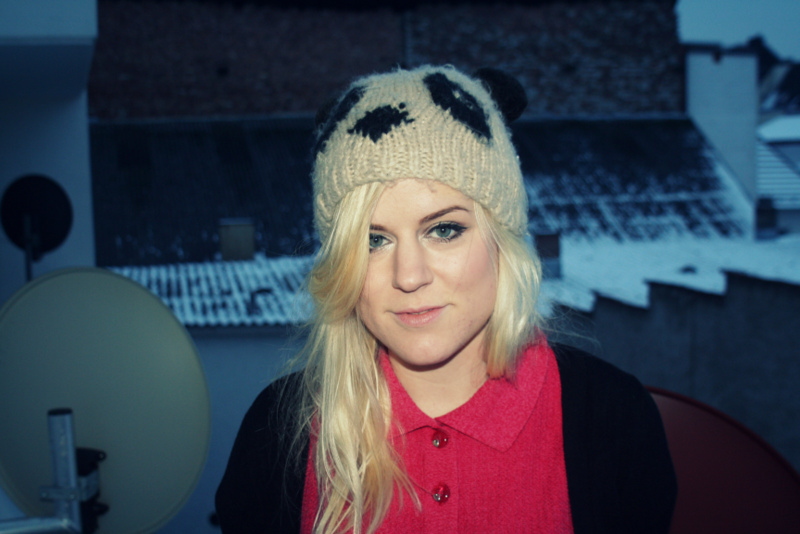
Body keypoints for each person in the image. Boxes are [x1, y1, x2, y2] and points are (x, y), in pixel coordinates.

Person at [215, 65, 677, 534]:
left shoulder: (614, 418)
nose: (409, 276)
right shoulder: (276, 431)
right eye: (373, 241)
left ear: (503, 241)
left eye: (444, 230)